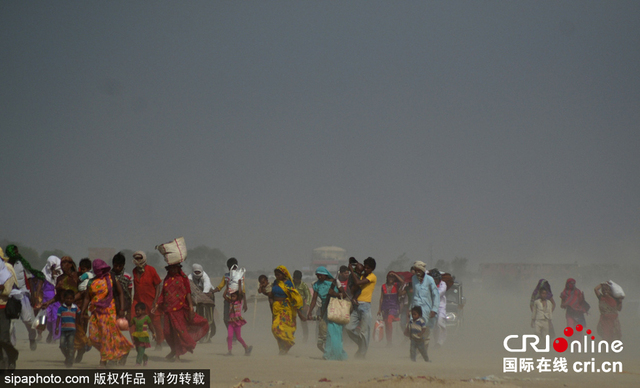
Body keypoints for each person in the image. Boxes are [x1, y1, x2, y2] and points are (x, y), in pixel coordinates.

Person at [81, 259, 133, 367]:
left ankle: (104, 360)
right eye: (97, 270)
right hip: (96, 311)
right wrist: (83, 311)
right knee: (93, 337)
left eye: (101, 269)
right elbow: (87, 297)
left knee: (106, 336)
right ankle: (122, 349)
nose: (100, 271)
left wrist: (122, 309)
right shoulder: (92, 282)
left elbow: (120, 293)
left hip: (109, 311)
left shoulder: (111, 278)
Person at [152, 263, 209, 361]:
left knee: (178, 331)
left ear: (178, 268)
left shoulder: (183, 278)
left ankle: (177, 354)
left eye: (175, 267)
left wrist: (191, 307)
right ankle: (173, 349)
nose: (173, 269)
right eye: (171, 268)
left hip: (179, 309)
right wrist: (157, 304)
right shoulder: (167, 279)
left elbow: (188, 293)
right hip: (167, 309)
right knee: (167, 332)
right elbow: (163, 294)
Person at [3, 246, 41, 351]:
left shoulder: (22, 263)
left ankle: (32, 338)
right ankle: (11, 346)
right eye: (14, 252)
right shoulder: (5, 266)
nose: (16, 253)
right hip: (11, 296)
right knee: (11, 323)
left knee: (27, 320)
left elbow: (30, 279)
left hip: (23, 295)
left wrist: (33, 296)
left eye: (17, 251)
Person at [54, 256, 91, 363]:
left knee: (80, 336)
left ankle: (79, 353)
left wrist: (74, 299)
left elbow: (85, 291)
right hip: (66, 312)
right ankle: (70, 357)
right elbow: (58, 296)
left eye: (66, 262)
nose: (63, 264)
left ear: (71, 264)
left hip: (80, 310)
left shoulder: (79, 277)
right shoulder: (59, 279)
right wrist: (47, 303)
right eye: (62, 262)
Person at [307, 266, 348, 360]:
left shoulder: (335, 282)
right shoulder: (316, 285)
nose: (319, 278)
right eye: (317, 276)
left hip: (336, 309)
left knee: (336, 332)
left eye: (320, 275)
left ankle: (337, 353)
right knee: (328, 333)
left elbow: (344, 295)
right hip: (325, 310)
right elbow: (314, 299)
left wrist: (335, 294)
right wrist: (310, 311)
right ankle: (328, 354)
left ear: (325, 274)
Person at [131, 251, 164, 349]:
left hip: (150, 300)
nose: (138, 260)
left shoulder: (151, 270)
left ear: (144, 258)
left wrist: (155, 300)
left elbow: (158, 284)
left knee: (156, 322)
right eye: (136, 258)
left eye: (139, 258)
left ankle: (159, 342)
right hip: (138, 300)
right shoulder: (134, 271)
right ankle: (137, 342)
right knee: (132, 319)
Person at [346, 257, 377, 359]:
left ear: (372, 269)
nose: (365, 269)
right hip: (356, 306)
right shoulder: (362, 274)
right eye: (365, 267)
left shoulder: (372, 277)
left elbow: (358, 283)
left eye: (368, 268)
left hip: (365, 306)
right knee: (348, 328)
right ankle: (361, 344)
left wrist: (351, 270)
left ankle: (361, 354)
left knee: (364, 332)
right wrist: (356, 264)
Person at [270, 265, 303, 355]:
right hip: (276, 307)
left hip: (285, 308)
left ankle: (286, 346)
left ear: (284, 274)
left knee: (280, 328)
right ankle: (282, 348)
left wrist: (299, 312)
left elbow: (293, 296)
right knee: (275, 329)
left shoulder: (288, 283)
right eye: (276, 275)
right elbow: (271, 295)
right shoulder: (275, 282)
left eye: (278, 274)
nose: (277, 276)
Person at [409, 261, 438, 359]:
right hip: (416, 308)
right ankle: (415, 352)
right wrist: (410, 309)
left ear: (422, 270)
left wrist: (434, 309)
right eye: (415, 270)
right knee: (414, 330)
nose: (417, 272)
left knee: (425, 331)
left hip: (426, 309)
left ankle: (422, 352)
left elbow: (435, 295)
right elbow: (414, 295)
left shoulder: (429, 280)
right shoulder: (414, 279)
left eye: (419, 270)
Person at [213, 258, 248, 335]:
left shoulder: (240, 276)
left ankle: (234, 336)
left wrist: (245, 303)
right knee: (226, 319)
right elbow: (220, 286)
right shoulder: (226, 276)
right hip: (228, 300)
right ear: (228, 267)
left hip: (237, 302)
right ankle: (232, 333)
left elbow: (243, 290)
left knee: (235, 319)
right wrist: (212, 291)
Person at [0, 254, 19, 371]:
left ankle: (12, 355)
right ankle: (2, 364)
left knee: (3, 338)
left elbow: (7, 290)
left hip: (3, 307)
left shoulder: (7, 268)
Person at [188, 263, 216, 342]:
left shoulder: (205, 276)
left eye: (198, 272)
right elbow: (188, 286)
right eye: (195, 272)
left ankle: (209, 332)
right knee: (198, 314)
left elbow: (207, 286)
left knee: (209, 315)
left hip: (208, 295)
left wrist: (203, 295)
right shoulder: (190, 277)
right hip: (197, 296)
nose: (197, 273)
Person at [223, 285, 252, 356]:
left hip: (237, 322)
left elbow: (240, 293)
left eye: (234, 296)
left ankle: (246, 347)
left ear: (237, 297)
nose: (232, 298)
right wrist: (227, 287)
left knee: (238, 337)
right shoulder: (230, 302)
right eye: (232, 296)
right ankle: (229, 351)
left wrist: (239, 284)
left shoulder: (239, 302)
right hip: (231, 322)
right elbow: (224, 296)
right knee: (230, 336)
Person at [378, 271, 405, 347]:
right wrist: (379, 309)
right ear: (387, 278)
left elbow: (402, 282)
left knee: (389, 321)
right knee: (387, 324)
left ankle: (390, 341)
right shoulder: (383, 286)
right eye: (390, 277)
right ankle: (389, 342)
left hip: (394, 306)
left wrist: (395, 275)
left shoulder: (396, 285)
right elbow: (381, 298)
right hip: (385, 307)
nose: (391, 278)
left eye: (392, 277)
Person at [40, 255, 63, 343]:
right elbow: (40, 286)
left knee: (56, 317)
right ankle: (50, 332)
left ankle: (56, 336)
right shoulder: (44, 272)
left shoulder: (61, 272)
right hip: (46, 299)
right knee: (48, 318)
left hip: (57, 298)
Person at [56, 289, 79, 367]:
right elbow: (58, 318)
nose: (69, 300)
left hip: (72, 329)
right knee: (62, 345)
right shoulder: (61, 308)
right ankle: (68, 357)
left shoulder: (75, 307)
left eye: (70, 299)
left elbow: (79, 316)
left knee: (70, 345)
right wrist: (56, 328)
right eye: (67, 298)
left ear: (73, 299)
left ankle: (69, 360)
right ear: (64, 299)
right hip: (63, 329)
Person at [131, 302, 156, 366]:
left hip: (144, 337)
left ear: (143, 310)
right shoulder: (135, 319)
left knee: (141, 349)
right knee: (138, 350)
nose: (137, 312)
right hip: (137, 337)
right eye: (136, 310)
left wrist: (154, 333)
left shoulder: (146, 318)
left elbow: (151, 326)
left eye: (138, 310)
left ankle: (138, 363)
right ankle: (145, 357)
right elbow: (130, 324)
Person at [111, 252, 133, 322]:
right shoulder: (109, 276)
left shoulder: (127, 277)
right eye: (115, 266)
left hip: (123, 307)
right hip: (111, 307)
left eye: (120, 266)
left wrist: (128, 312)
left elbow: (129, 295)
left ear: (123, 265)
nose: (117, 268)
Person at [429, 269, 448, 347]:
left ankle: (440, 342)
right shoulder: (428, 284)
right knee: (433, 326)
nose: (434, 280)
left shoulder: (443, 284)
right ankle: (435, 341)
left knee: (440, 323)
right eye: (433, 279)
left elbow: (438, 293)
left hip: (440, 307)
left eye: (436, 279)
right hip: (430, 306)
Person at [293, 270, 311, 343]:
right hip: (292, 304)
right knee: (291, 320)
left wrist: (307, 305)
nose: (297, 281)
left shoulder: (303, 285)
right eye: (296, 279)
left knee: (303, 322)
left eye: (298, 279)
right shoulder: (291, 284)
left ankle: (305, 338)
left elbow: (308, 295)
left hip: (302, 304)